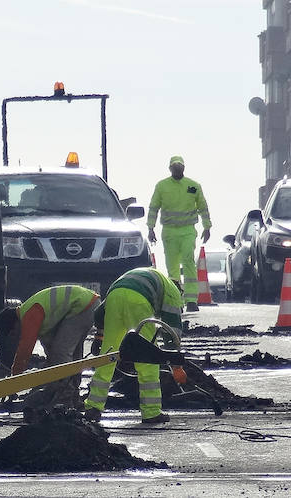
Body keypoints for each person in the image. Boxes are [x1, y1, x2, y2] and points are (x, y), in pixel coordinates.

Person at [84, 267, 184, 424]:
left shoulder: (148, 277)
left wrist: (100, 336)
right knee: (147, 357)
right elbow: (172, 331)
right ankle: (151, 412)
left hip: (114, 296)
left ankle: (93, 407)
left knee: (108, 356)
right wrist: (176, 365)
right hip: (138, 301)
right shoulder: (173, 292)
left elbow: (99, 313)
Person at [0, 285, 100, 412]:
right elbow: (51, 357)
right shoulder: (43, 321)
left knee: (61, 352)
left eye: (13, 334)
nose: (16, 337)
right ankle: (73, 397)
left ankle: (64, 399)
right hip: (87, 304)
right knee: (70, 355)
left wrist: (14, 382)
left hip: (83, 305)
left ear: (14, 325)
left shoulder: (29, 314)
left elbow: (25, 350)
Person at [147, 155, 211, 312]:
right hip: (169, 231)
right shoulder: (162, 186)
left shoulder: (193, 186)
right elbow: (153, 207)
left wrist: (207, 227)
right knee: (172, 267)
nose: (177, 169)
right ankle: (176, 300)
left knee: (188, 261)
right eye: (174, 167)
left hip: (188, 230)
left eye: (179, 166)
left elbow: (203, 207)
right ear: (170, 168)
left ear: (184, 167)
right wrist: (150, 228)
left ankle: (191, 300)